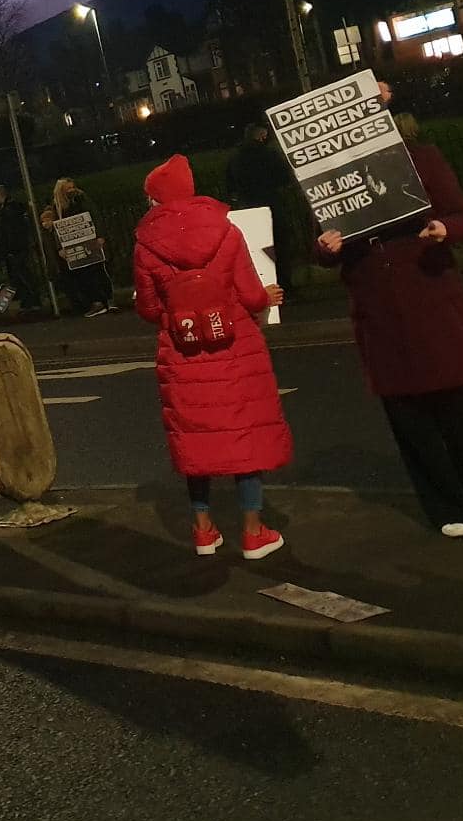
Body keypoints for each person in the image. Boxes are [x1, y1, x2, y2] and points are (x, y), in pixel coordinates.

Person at [315, 121, 463, 537]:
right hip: (380, 312)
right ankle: (446, 507)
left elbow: (462, 215)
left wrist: (444, 228)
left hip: (431, 297)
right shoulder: (328, 180)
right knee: (411, 418)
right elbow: (320, 245)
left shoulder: (422, 159)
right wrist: (325, 248)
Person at [133, 154, 290, 559]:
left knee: (196, 441)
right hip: (234, 345)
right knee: (244, 436)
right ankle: (253, 533)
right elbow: (250, 294)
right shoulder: (227, 230)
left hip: (182, 347)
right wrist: (266, 298)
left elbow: (149, 309)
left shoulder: (146, 245)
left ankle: (203, 530)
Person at [225, 124, 300, 297]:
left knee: (255, 250)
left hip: (248, 207)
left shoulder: (235, 158)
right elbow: (284, 178)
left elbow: (230, 186)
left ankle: (261, 287)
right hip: (272, 205)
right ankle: (284, 286)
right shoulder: (270, 154)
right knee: (279, 247)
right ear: (262, 136)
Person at [52, 177, 116, 317]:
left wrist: (100, 235)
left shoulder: (81, 199)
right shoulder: (58, 207)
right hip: (75, 244)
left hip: (90, 240)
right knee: (85, 274)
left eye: (72, 187)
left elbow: (94, 215)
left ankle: (107, 300)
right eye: (68, 189)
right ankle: (97, 302)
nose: (71, 191)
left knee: (98, 270)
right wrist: (60, 247)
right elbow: (59, 228)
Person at [0, 185, 41, 314]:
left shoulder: (8, 211)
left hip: (15, 249)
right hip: (14, 249)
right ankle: (28, 303)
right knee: (18, 277)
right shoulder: (8, 209)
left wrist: (8, 248)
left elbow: (9, 232)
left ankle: (32, 302)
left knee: (23, 276)